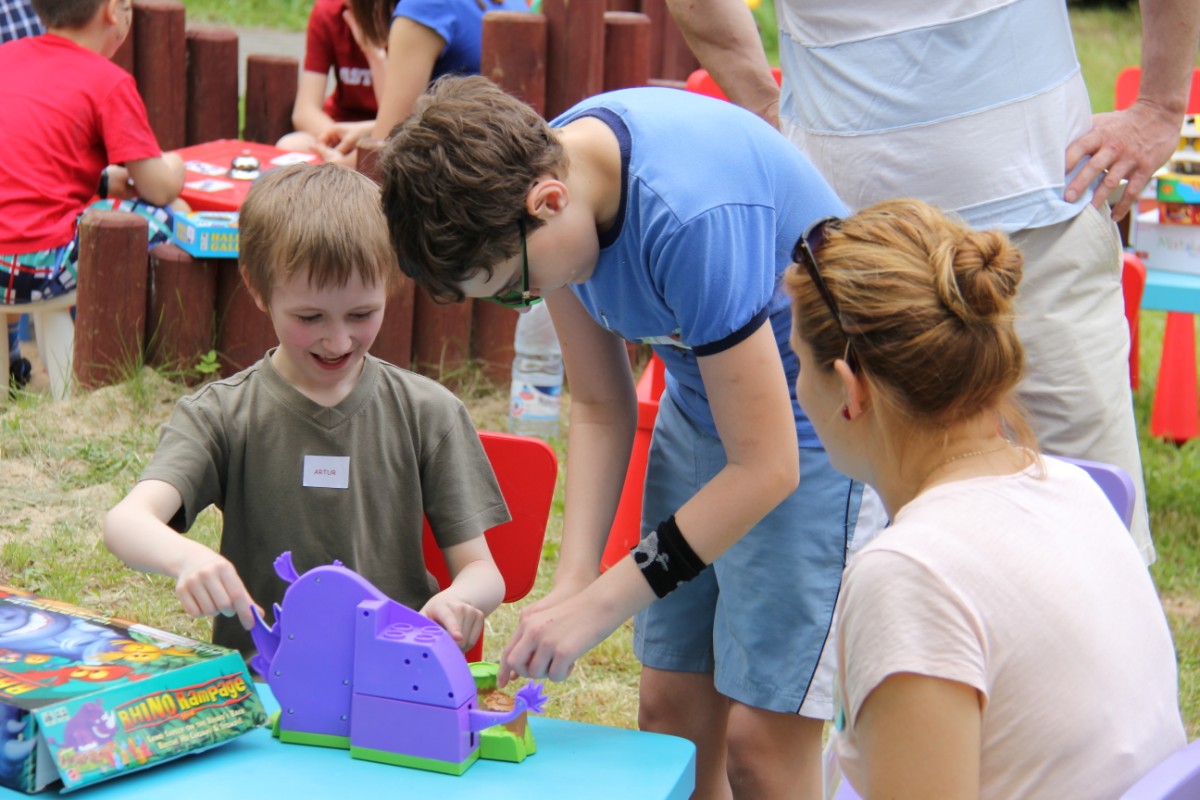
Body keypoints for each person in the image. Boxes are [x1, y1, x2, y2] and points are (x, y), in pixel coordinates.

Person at [379, 74, 864, 799]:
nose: (525, 301)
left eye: (513, 286)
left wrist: (602, 603)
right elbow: (603, 403)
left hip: (816, 417)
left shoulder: (689, 215)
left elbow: (766, 468)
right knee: (672, 715)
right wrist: (574, 585)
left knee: (760, 747)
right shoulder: (541, 201)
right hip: (704, 395)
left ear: (548, 202)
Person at [666, 0, 1200, 564]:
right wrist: (763, 104)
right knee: (862, 561)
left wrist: (1161, 107)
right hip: (854, 256)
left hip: (1043, 229)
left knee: (1094, 549)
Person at [785, 198, 1185, 800]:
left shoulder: (909, 575)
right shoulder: (1075, 489)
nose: (794, 385)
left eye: (797, 361)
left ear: (849, 388)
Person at [103, 162, 510, 660]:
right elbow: (126, 523)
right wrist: (187, 558)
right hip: (265, 684)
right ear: (256, 287)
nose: (338, 340)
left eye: (362, 314)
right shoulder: (222, 414)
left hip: (393, 680)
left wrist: (459, 600)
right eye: (309, 317)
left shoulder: (429, 412)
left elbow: (483, 571)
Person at [0, 0, 184, 394]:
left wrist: (102, 183)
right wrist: (175, 167)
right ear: (113, 11)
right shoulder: (108, 80)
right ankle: (147, 362)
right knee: (175, 217)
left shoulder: (6, 56)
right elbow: (159, 188)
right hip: (42, 269)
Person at [324, 0, 526, 164]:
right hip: (511, 159)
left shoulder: (423, 8)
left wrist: (332, 165)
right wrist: (371, 127)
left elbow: (385, 145)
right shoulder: (514, 3)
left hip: (463, 175)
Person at [276, 0, 384, 164]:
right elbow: (304, 111)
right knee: (290, 146)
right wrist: (342, 141)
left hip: (389, 136)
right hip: (339, 128)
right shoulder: (329, 10)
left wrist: (373, 52)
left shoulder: (408, 18)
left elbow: (404, 122)